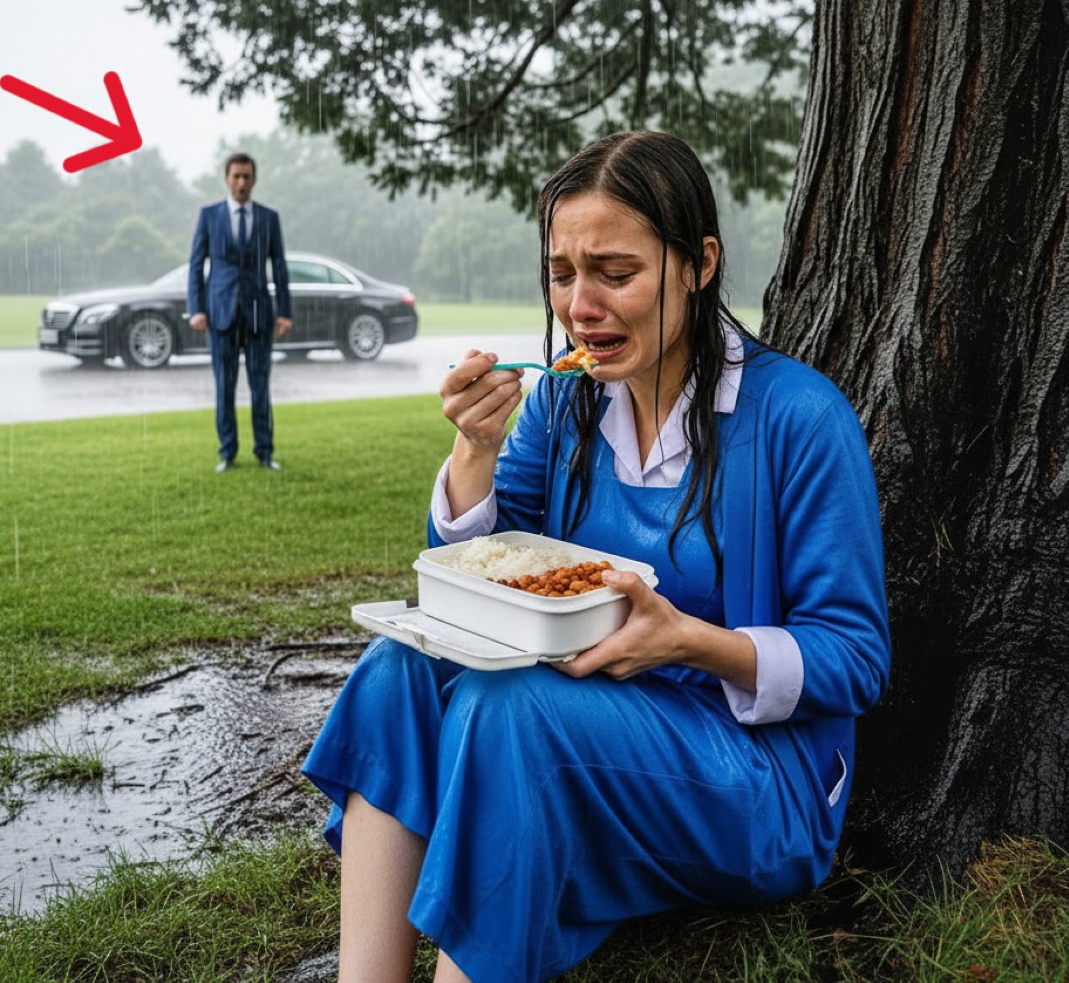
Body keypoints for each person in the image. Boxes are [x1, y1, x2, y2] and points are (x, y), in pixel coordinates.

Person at [302, 130, 891, 983]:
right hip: (589, 718)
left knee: (507, 713)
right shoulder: (564, 407)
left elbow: (857, 658)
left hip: (758, 776)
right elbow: (478, 587)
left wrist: (686, 640)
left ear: (698, 264)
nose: (581, 304)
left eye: (616, 274)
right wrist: (475, 451)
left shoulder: (799, 419)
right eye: (563, 274)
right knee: (400, 667)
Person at [188, 152, 293, 472]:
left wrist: (285, 311)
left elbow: (280, 266)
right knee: (224, 387)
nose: (241, 182)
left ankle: (264, 452)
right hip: (219, 314)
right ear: (226, 178)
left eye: (247, 176)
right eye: (236, 176)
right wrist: (196, 308)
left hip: (260, 315)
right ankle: (227, 452)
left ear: (254, 179)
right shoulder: (209, 216)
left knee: (261, 386)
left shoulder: (268, 218)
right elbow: (196, 265)